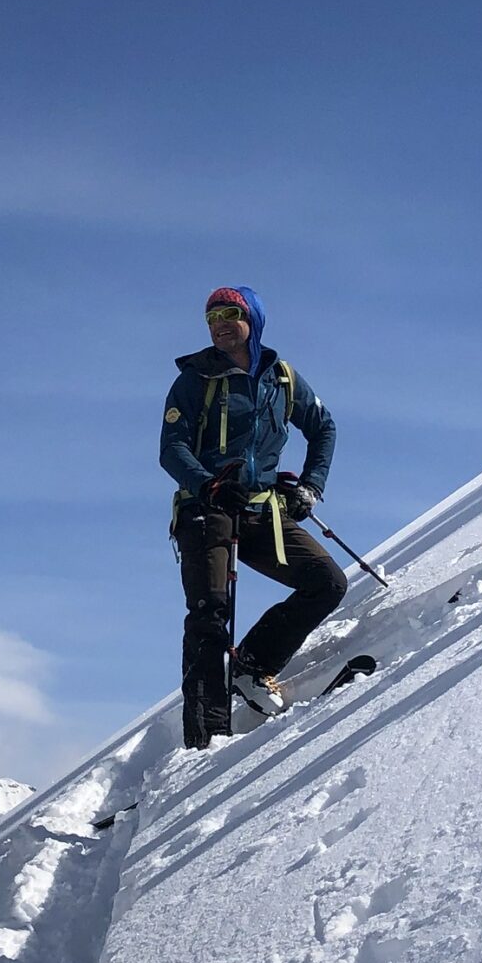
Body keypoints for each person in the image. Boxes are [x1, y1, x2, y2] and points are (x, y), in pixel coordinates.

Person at [159, 286, 346, 749]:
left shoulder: (281, 378)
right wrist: (209, 485)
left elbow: (323, 426)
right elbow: (172, 448)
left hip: (263, 509)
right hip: (207, 510)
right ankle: (206, 741)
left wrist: (310, 486)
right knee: (210, 613)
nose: (219, 324)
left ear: (253, 320)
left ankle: (251, 664)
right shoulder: (196, 379)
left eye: (230, 314)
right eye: (211, 317)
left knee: (327, 582)